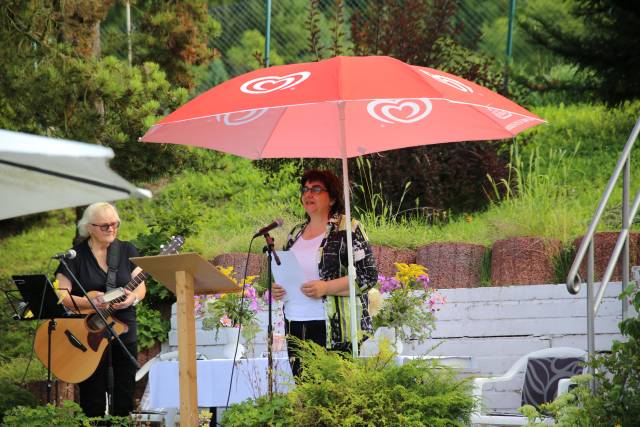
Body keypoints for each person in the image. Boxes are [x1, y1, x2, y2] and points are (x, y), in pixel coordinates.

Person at [272, 169, 378, 378]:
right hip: (295, 325)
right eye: (305, 189)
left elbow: (367, 277)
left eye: (316, 189)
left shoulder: (348, 229)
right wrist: (280, 289)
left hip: (333, 327)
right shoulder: (295, 233)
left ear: (332, 198)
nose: (308, 194)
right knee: (305, 394)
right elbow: (291, 274)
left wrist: (326, 288)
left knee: (334, 396)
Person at [55, 202, 145, 417]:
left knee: (124, 394)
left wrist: (132, 298)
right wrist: (90, 302)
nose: (112, 229)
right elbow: (61, 295)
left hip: (123, 331)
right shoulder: (74, 257)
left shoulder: (127, 249)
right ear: (89, 227)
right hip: (89, 335)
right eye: (105, 226)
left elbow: (140, 285)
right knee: (92, 398)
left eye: (115, 224)